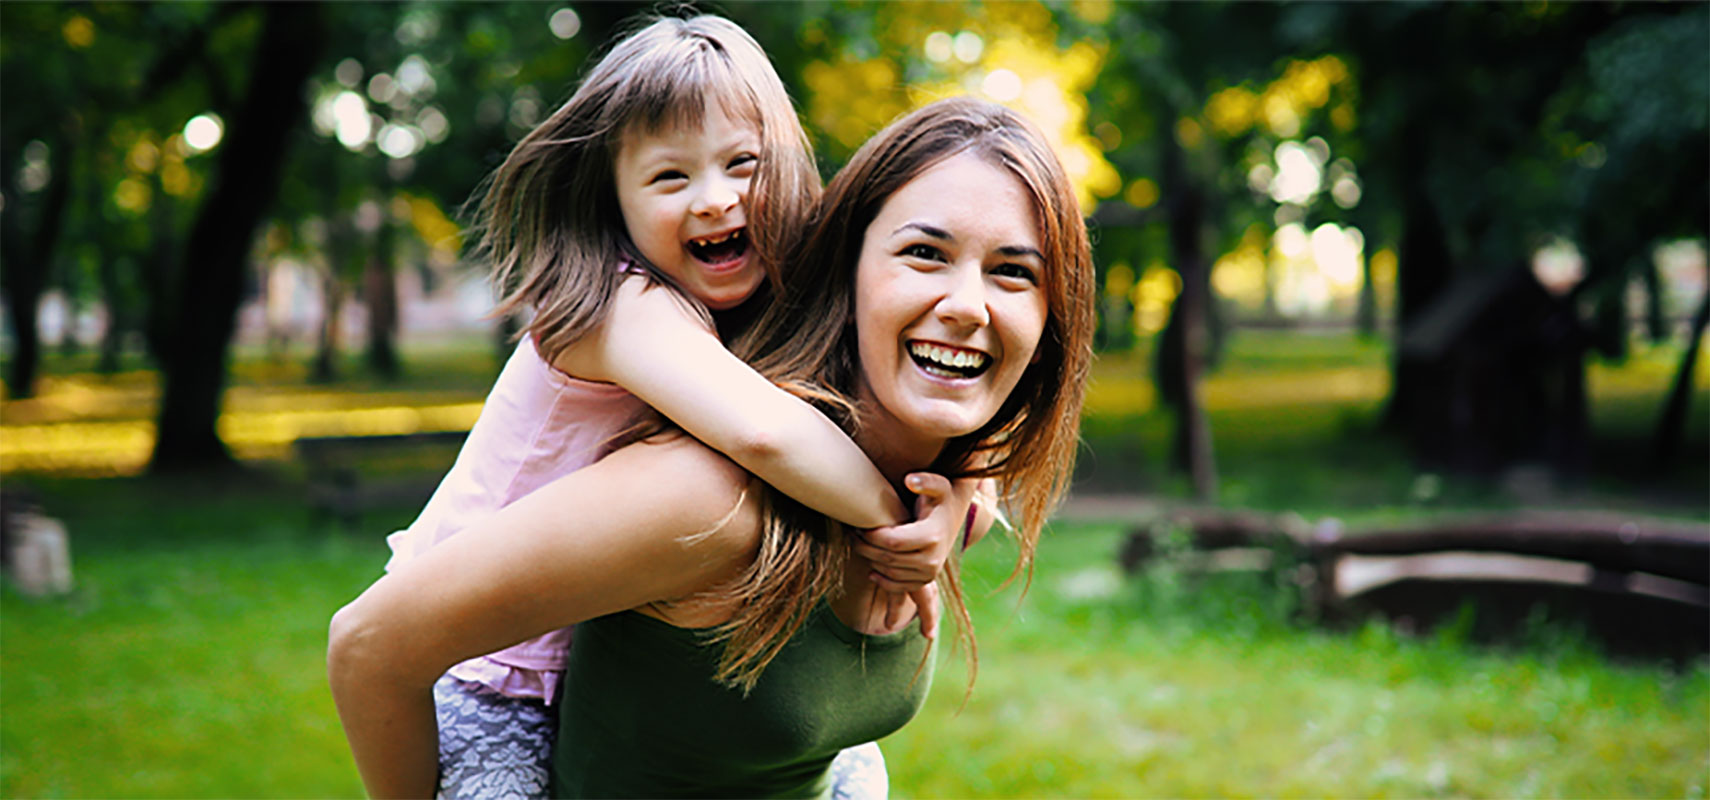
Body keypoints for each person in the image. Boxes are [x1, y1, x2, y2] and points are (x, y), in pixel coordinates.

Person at [329, 96, 1096, 798]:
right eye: (924, 254)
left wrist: (955, 492)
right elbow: (369, 645)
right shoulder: (709, 502)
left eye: (1013, 272)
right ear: (846, 264)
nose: (966, 306)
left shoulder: (938, 496)